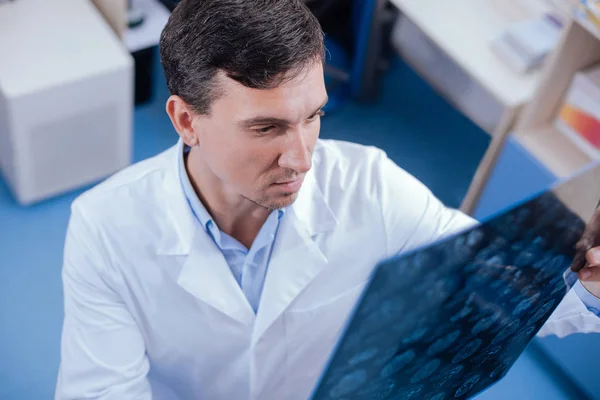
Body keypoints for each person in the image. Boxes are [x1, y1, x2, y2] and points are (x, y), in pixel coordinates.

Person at [55, 1, 600, 399]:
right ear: (185, 120)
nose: (301, 159)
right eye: (266, 127)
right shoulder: (105, 227)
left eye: (313, 116)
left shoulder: (371, 186)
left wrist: (589, 286)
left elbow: (501, 286)